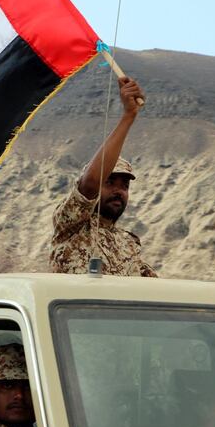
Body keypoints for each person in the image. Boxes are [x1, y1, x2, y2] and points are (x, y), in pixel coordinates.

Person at [50, 77, 157, 277]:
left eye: (124, 186)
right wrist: (129, 116)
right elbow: (90, 184)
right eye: (109, 182)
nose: (118, 191)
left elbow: (158, 293)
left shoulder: (128, 245)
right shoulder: (71, 225)